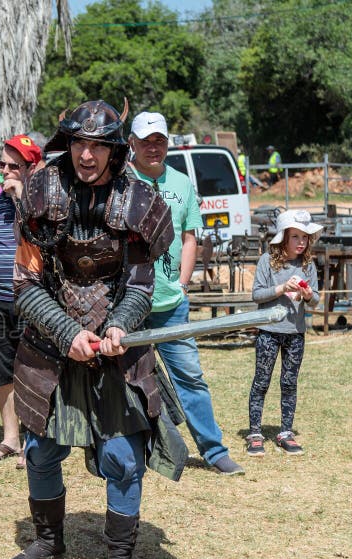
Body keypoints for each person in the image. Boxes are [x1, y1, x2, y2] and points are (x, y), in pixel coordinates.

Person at [6, 100, 188, 559]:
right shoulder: (40, 192)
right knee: (41, 451)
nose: (87, 155)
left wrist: (119, 327)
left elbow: (140, 285)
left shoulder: (140, 199)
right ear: (68, 144)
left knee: (123, 457)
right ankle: (48, 540)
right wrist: (68, 333)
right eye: (79, 143)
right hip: (50, 344)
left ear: (114, 148)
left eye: (98, 145)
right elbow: (25, 283)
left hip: (117, 348)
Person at [127, 112, 244, 476]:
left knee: (190, 377)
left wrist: (182, 282)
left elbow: (191, 234)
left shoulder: (181, 182)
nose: (153, 147)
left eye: (159, 140)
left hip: (170, 303)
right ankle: (127, 450)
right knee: (124, 380)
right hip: (127, 304)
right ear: (131, 143)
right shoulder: (120, 183)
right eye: (145, 141)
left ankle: (214, 451)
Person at [0, 134, 42, 468]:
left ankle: (34, 440)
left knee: (31, 370)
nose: (5, 171)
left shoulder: (41, 201)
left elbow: (38, 243)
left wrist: (22, 202)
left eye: (13, 166)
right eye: (2, 164)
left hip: (31, 299)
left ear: (32, 168)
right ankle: (10, 438)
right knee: (0, 370)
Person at [247, 210, 321, 457]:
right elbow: (257, 295)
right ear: (283, 238)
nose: (301, 242)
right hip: (269, 331)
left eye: (305, 237)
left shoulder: (308, 265)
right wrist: (281, 288)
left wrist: (309, 295)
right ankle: (255, 433)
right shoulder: (266, 261)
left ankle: (286, 432)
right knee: (262, 381)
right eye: (296, 237)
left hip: (295, 333)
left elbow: (316, 300)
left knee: (289, 383)